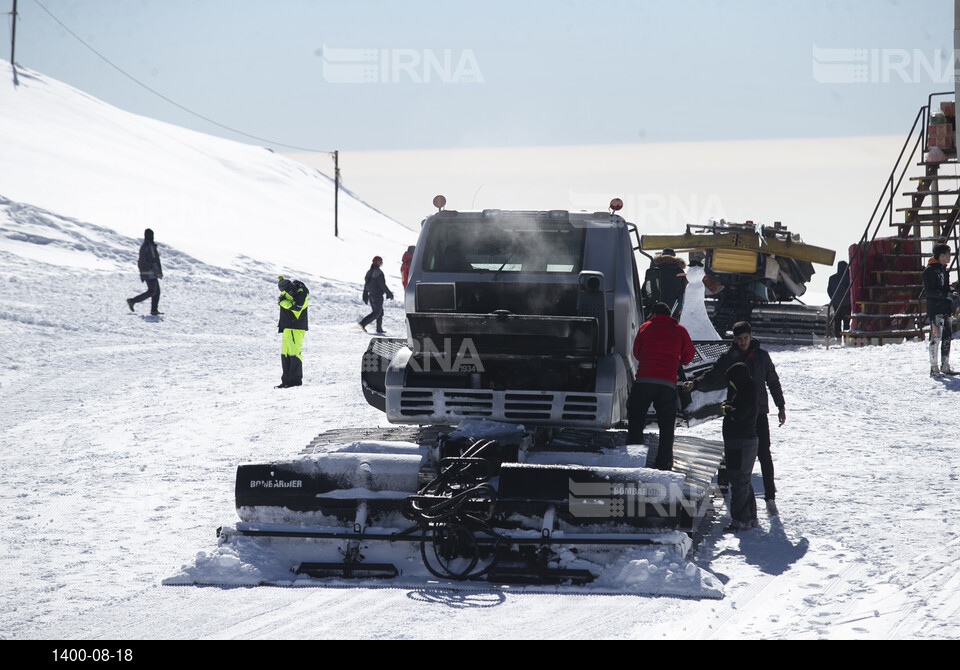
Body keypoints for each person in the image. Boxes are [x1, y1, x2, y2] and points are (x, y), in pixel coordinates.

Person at [685, 321, 785, 515]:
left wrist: (781, 405)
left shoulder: (762, 357)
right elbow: (712, 376)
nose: (742, 342)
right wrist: (695, 384)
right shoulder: (728, 357)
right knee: (733, 453)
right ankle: (733, 495)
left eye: (745, 338)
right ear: (734, 339)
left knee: (764, 454)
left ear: (751, 336)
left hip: (760, 412)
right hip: (736, 412)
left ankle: (770, 497)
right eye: (738, 339)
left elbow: (773, 381)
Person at [628, 301, 695, 471]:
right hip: (666, 385)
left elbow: (636, 352)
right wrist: (674, 359)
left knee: (636, 422)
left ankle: (633, 462)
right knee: (666, 427)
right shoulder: (680, 330)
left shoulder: (645, 327)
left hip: (643, 382)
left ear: (653, 314)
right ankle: (664, 464)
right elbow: (688, 357)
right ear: (669, 315)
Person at [720, 362, 760, 532]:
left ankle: (740, 520)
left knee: (738, 481)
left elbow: (739, 414)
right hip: (741, 442)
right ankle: (749, 516)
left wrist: (725, 409)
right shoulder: (746, 391)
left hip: (740, 442)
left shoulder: (748, 394)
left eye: (732, 381)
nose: (731, 385)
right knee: (743, 480)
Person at [923, 244, 958, 377]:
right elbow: (929, 292)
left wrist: (953, 292)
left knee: (947, 337)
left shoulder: (944, 270)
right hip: (935, 309)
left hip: (946, 309)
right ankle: (934, 368)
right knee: (936, 338)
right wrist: (946, 295)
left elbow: (946, 288)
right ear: (941, 255)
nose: (950, 257)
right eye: (948, 254)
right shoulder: (929, 271)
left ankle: (945, 366)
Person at [276, 275, 309, 389]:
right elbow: (284, 301)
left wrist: (282, 302)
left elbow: (297, 308)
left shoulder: (301, 294)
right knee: (285, 354)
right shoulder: (289, 293)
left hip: (295, 327)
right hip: (287, 327)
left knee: (294, 353)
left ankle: (295, 381)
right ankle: (286, 381)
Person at [642, 248, 689, 319]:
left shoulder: (655, 269)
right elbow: (683, 290)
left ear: (662, 255)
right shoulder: (680, 271)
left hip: (655, 307)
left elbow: (646, 287)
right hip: (673, 308)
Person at [126, 228, 163, 315]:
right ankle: (132, 301)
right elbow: (153, 260)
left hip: (146, 272)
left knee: (156, 292)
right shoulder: (150, 246)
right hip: (151, 273)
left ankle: (154, 310)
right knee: (152, 291)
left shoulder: (144, 246)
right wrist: (157, 272)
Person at [359, 256, 394, 334]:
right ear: (375, 262)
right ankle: (363, 323)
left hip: (371, 295)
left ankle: (379, 329)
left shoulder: (369, 272)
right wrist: (389, 293)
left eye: (381, 262)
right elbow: (382, 285)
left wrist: (365, 294)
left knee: (380, 312)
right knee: (376, 313)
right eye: (379, 261)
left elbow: (366, 285)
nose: (381, 263)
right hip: (377, 295)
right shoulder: (378, 272)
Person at [827, 260, 851, 341]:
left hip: (836, 303)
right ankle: (847, 339)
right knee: (846, 322)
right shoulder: (848, 278)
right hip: (847, 303)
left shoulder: (832, 278)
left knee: (837, 321)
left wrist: (834, 299)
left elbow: (829, 290)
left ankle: (838, 338)